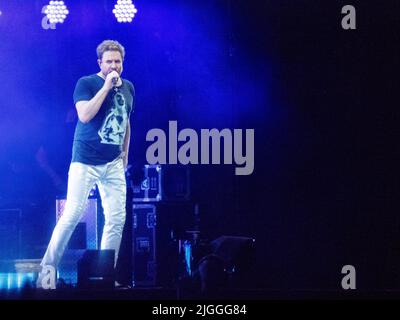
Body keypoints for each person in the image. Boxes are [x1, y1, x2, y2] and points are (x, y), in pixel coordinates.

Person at [37, 40, 135, 288]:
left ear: (123, 63)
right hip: (85, 160)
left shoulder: (130, 88)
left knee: (116, 218)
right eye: (109, 61)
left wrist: (125, 155)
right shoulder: (87, 83)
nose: (114, 66)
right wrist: (105, 87)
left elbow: (125, 122)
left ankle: (104, 276)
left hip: (113, 163)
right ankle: (46, 274)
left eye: (118, 61)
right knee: (72, 213)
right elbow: (85, 114)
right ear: (100, 63)